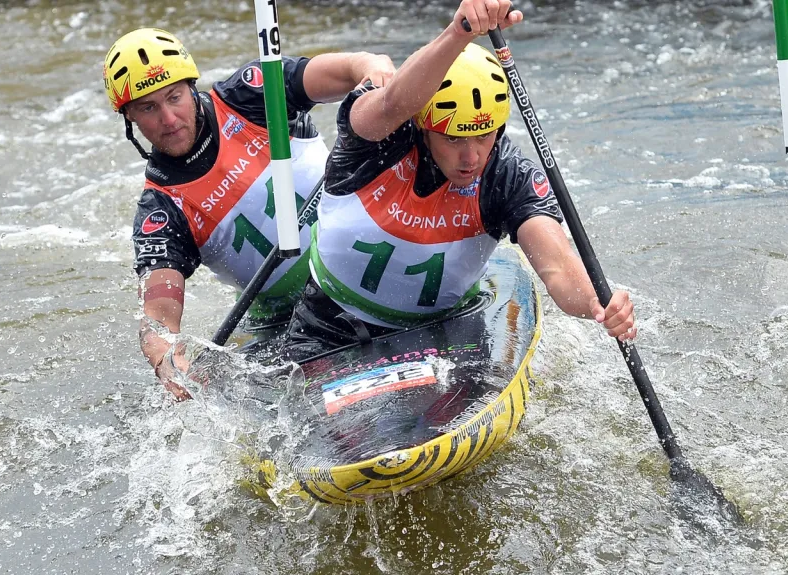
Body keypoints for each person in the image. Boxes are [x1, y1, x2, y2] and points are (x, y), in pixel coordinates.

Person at [286, 0, 636, 356]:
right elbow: (394, 103)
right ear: (424, 127)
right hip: (327, 325)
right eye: (453, 138)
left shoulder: (507, 175)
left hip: (443, 332)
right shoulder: (377, 139)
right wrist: (459, 32)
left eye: (483, 136)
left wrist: (598, 303)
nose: (471, 157)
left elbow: (558, 267)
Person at [103, 27, 395, 399]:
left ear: (192, 88)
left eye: (174, 97)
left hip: (370, 265)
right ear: (130, 119)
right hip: (289, 320)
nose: (168, 118)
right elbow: (158, 322)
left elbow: (349, 70)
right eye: (148, 108)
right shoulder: (161, 211)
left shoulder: (251, 95)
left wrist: (372, 67)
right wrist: (169, 361)